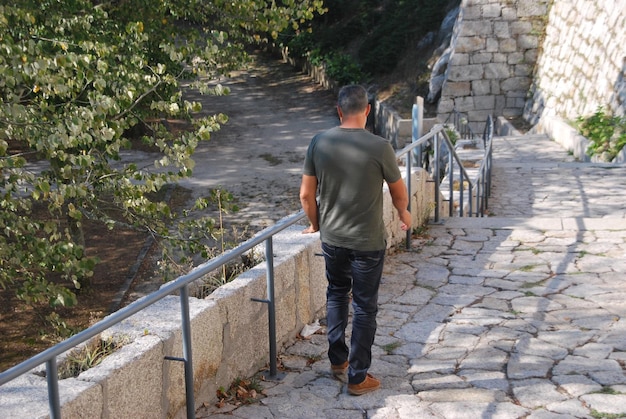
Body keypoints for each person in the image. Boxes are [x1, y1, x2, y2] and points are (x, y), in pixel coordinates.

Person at [299, 84, 411, 396]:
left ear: (338, 111)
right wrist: (404, 213)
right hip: (368, 242)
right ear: (367, 110)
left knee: (336, 294)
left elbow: (307, 194)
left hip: (333, 239)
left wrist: (315, 224)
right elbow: (399, 192)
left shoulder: (319, 142)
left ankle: (338, 361)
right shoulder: (380, 147)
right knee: (364, 306)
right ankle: (358, 376)